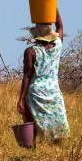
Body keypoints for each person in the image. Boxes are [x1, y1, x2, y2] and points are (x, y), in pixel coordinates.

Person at [16, 9, 70, 142]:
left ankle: (30, 149)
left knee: (32, 122)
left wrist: (21, 99)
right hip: (54, 91)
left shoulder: (31, 52)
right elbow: (60, 26)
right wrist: (53, 6)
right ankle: (58, 149)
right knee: (58, 125)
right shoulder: (57, 45)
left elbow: (27, 76)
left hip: (36, 93)